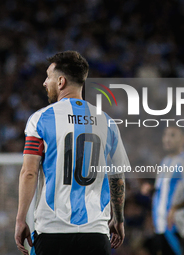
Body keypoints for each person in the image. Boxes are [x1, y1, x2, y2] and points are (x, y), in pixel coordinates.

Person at [14, 51, 130, 255]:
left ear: (61, 81)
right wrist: (118, 218)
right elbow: (117, 177)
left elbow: (29, 172)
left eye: (48, 76)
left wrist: (21, 219)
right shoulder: (107, 122)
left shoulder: (40, 119)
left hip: (52, 231)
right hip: (95, 233)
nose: (44, 83)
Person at [152, 126, 184, 255]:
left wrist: (175, 208)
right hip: (160, 225)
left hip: (174, 226)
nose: (167, 139)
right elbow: (162, 191)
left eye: (173, 135)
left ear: (183, 139)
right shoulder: (165, 161)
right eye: (166, 135)